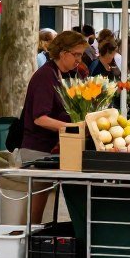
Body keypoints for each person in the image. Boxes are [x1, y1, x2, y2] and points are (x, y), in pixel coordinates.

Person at [18, 30, 87, 222]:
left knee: (46, 210)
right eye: (77, 54)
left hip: (57, 150)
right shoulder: (44, 77)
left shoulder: (68, 75)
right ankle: (28, 247)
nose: (79, 60)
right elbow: (40, 118)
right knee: (36, 210)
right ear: (63, 53)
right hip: (38, 151)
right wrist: (73, 128)